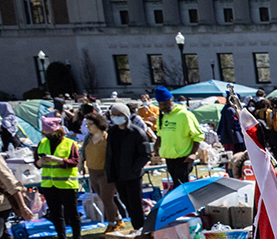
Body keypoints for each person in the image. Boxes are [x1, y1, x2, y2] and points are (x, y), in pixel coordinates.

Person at [34, 117, 81, 239]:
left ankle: (77, 237)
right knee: (55, 213)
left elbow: (75, 162)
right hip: (49, 184)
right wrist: (40, 162)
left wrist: (58, 160)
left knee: (72, 212)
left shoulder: (69, 143)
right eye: (45, 133)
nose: (48, 136)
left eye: (50, 133)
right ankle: (61, 238)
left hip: (67, 184)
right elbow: (36, 162)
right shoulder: (42, 143)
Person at [105, 102, 151, 231]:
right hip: (118, 174)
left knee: (135, 204)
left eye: (119, 115)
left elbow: (145, 154)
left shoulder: (136, 132)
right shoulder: (112, 132)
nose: (116, 117)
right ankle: (137, 227)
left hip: (132, 175)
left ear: (126, 115)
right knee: (125, 203)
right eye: (113, 115)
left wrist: (134, 169)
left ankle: (141, 229)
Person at [154, 86, 202, 187]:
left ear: (171, 100)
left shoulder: (184, 115)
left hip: (184, 157)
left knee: (181, 186)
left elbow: (198, 135)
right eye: (160, 104)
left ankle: (186, 203)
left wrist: (193, 153)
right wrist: (156, 147)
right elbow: (160, 134)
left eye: (165, 104)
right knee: (176, 185)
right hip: (169, 157)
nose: (163, 107)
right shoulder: (161, 117)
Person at [81, 112, 120, 231]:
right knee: (103, 198)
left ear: (98, 124)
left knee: (107, 199)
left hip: (106, 173)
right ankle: (118, 219)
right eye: (86, 125)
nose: (88, 127)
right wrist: (80, 165)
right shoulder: (88, 138)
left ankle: (112, 224)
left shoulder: (108, 138)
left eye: (90, 125)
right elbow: (83, 153)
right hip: (93, 172)